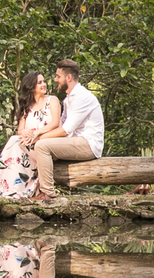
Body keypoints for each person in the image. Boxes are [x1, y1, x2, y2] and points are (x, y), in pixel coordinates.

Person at [0, 71, 62, 199]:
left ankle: (15, 191)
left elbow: (56, 123)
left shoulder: (52, 100)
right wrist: (25, 133)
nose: (43, 84)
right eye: (39, 83)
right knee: (15, 141)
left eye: (44, 81)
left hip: (46, 143)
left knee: (15, 143)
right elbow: (20, 130)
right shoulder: (27, 105)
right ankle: (1, 188)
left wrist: (37, 133)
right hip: (28, 144)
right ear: (31, 87)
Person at [31, 59, 104, 198]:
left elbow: (65, 130)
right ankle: (28, 189)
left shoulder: (81, 97)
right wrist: (35, 132)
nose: (55, 79)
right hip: (75, 141)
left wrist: (39, 138)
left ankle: (48, 194)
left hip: (88, 144)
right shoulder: (69, 98)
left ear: (68, 77)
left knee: (41, 146)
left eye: (58, 76)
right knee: (37, 147)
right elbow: (59, 125)